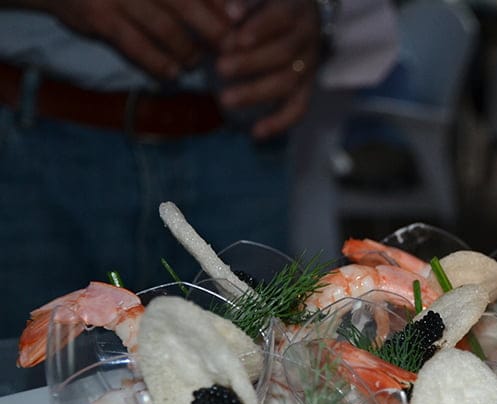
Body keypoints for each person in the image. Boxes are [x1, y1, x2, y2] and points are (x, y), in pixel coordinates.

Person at [0, 0, 397, 339]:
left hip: (243, 144)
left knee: (278, 377)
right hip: (31, 144)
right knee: (31, 392)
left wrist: (320, 9)